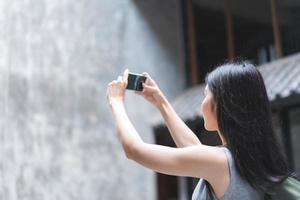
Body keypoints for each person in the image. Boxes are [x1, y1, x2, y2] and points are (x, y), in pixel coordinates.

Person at [106, 62, 291, 200]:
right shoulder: (250, 160)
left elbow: (134, 150)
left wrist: (116, 101)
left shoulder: (220, 162)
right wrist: (160, 102)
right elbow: (195, 150)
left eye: (205, 95)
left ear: (222, 105)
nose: (202, 103)